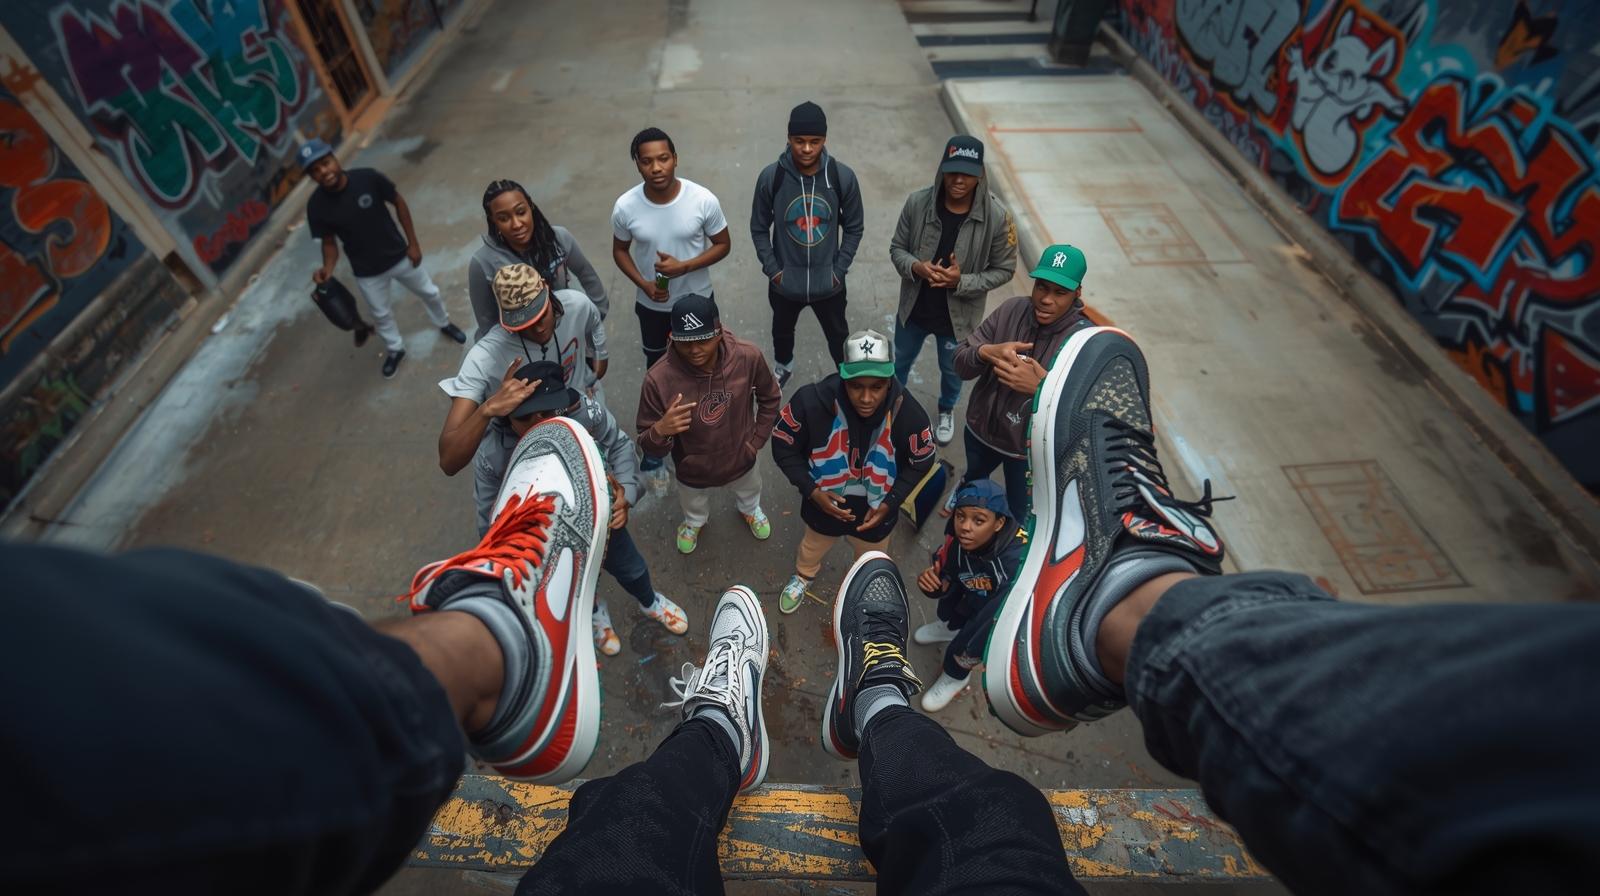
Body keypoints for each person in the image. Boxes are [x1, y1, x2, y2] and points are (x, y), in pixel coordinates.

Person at [7, 323, 1600, 893]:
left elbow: (863, 460)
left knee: (623, 842)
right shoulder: (794, 397)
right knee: (988, 842)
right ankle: (1080, 618)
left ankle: (517, 645)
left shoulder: (852, 409)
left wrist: (876, 495)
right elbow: (799, 449)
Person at [483, 360, 688, 654]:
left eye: (548, 412)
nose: (539, 423)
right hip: (545, 539)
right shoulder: (492, 451)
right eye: (525, 416)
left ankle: (649, 601)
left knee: (632, 568)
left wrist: (627, 494)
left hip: (602, 518)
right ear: (507, 414)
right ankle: (593, 613)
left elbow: (619, 445)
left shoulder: (584, 410)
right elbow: (489, 514)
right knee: (575, 585)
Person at [770, 328, 935, 614]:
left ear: (890, 381)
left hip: (876, 511)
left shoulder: (909, 414)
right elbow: (783, 445)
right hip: (824, 504)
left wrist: (891, 501)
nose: (866, 398)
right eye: (856, 386)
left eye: (877, 387)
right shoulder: (810, 402)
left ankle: (866, 586)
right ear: (843, 376)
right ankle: (804, 576)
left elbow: (922, 460)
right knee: (812, 546)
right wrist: (812, 491)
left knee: (871, 557)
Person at [436, 264, 607, 532]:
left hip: (576, 421)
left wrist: (597, 366)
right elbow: (448, 460)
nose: (537, 328)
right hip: (517, 453)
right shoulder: (483, 357)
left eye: (541, 314)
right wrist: (488, 408)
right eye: (523, 324)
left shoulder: (577, 305)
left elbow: (594, 326)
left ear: (548, 291)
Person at [299, 139, 466, 378]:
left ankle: (443, 323)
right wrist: (327, 268)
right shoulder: (316, 206)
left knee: (430, 292)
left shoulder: (368, 178)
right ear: (311, 176)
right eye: (315, 170)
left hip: (399, 256)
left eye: (325, 163)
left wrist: (413, 243)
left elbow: (398, 202)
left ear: (334, 158)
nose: (323, 171)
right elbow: (329, 242)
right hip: (366, 271)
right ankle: (395, 348)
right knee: (381, 314)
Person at [889, 135, 1018, 444]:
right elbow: (897, 249)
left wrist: (961, 282)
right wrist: (917, 267)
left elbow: (1005, 269)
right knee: (899, 363)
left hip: (958, 319)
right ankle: (891, 406)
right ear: (942, 169)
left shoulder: (997, 217)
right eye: (952, 171)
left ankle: (946, 410)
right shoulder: (917, 203)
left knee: (953, 371)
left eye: (967, 174)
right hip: (913, 309)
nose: (958, 180)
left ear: (980, 175)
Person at [949, 243, 1092, 520]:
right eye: (1041, 287)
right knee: (974, 481)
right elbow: (959, 363)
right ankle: (965, 492)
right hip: (981, 431)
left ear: (1077, 293)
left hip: (1028, 452)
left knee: (1020, 511)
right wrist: (984, 352)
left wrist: (1040, 389)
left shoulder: (1083, 341)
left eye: (1060, 292)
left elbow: (1085, 419)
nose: (1046, 299)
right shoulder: (1013, 309)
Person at [636, 294, 780, 555]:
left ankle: (750, 510)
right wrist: (660, 430)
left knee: (750, 489)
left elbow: (770, 397)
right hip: (692, 468)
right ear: (672, 338)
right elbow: (646, 442)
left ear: (718, 333)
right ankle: (694, 522)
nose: (694, 350)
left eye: (703, 340)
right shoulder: (658, 379)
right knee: (693, 502)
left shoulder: (747, 357)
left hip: (742, 456)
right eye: (685, 342)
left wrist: (755, 442)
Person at [749, 101, 865, 387]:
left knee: (838, 335)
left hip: (829, 284)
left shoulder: (841, 177)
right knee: (781, 330)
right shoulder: (772, 177)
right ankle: (784, 366)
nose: (807, 149)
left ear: (825, 139)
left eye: (815, 141)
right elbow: (759, 227)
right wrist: (774, 271)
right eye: (799, 141)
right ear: (788, 138)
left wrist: (838, 270)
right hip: (785, 283)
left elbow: (854, 227)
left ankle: (846, 378)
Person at [610, 127, 732, 371]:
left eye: (663, 158)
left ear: (675, 159)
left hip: (698, 300)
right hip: (652, 306)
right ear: (638, 165)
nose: (656, 168)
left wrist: (684, 267)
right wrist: (644, 285)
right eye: (647, 161)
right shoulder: (625, 206)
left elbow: (723, 244)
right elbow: (620, 250)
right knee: (658, 366)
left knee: (706, 364)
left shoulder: (702, 199)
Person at [912, 479, 1027, 711]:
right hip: (973, 595)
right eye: (960, 516)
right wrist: (933, 584)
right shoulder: (959, 540)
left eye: (979, 520)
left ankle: (955, 677)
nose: (965, 527)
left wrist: (976, 653)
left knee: (974, 638)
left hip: (993, 611)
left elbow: (1000, 622)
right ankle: (951, 627)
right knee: (955, 600)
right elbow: (947, 572)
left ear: (999, 523)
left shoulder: (1016, 564)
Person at [467, 179, 610, 341]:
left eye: (521, 212)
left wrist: (597, 315)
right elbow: (487, 323)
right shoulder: (482, 263)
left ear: (531, 206)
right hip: (521, 344)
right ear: (493, 220)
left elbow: (586, 274)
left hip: (567, 332)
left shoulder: (558, 238)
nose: (516, 224)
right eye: (504, 218)